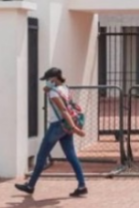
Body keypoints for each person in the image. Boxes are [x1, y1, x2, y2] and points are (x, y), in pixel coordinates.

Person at [16, 67, 88, 197]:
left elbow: (63, 110)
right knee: (71, 156)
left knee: (41, 155)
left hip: (57, 126)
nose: (46, 81)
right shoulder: (65, 88)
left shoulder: (54, 93)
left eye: (48, 79)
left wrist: (75, 129)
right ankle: (82, 185)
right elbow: (52, 95)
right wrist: (49, 88)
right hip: (65, 126)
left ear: (54, 78)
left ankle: (30, 185)